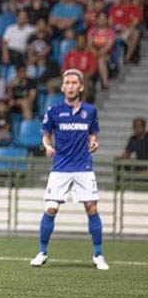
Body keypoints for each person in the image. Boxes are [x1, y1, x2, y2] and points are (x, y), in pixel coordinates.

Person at [31, 69, 109, 271]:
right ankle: (42, 252)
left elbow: (93, 134)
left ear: (81, 87)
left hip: (83, 166)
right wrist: (48, 146)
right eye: (68, 82)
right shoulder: (53, 111)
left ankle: (98, 254)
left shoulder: (90, 111)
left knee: (91, 207)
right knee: (51, 209)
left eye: (75, 82)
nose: (71, 86)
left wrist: (94, 143)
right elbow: (46, 134)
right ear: (63, 87)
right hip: (60, 167)